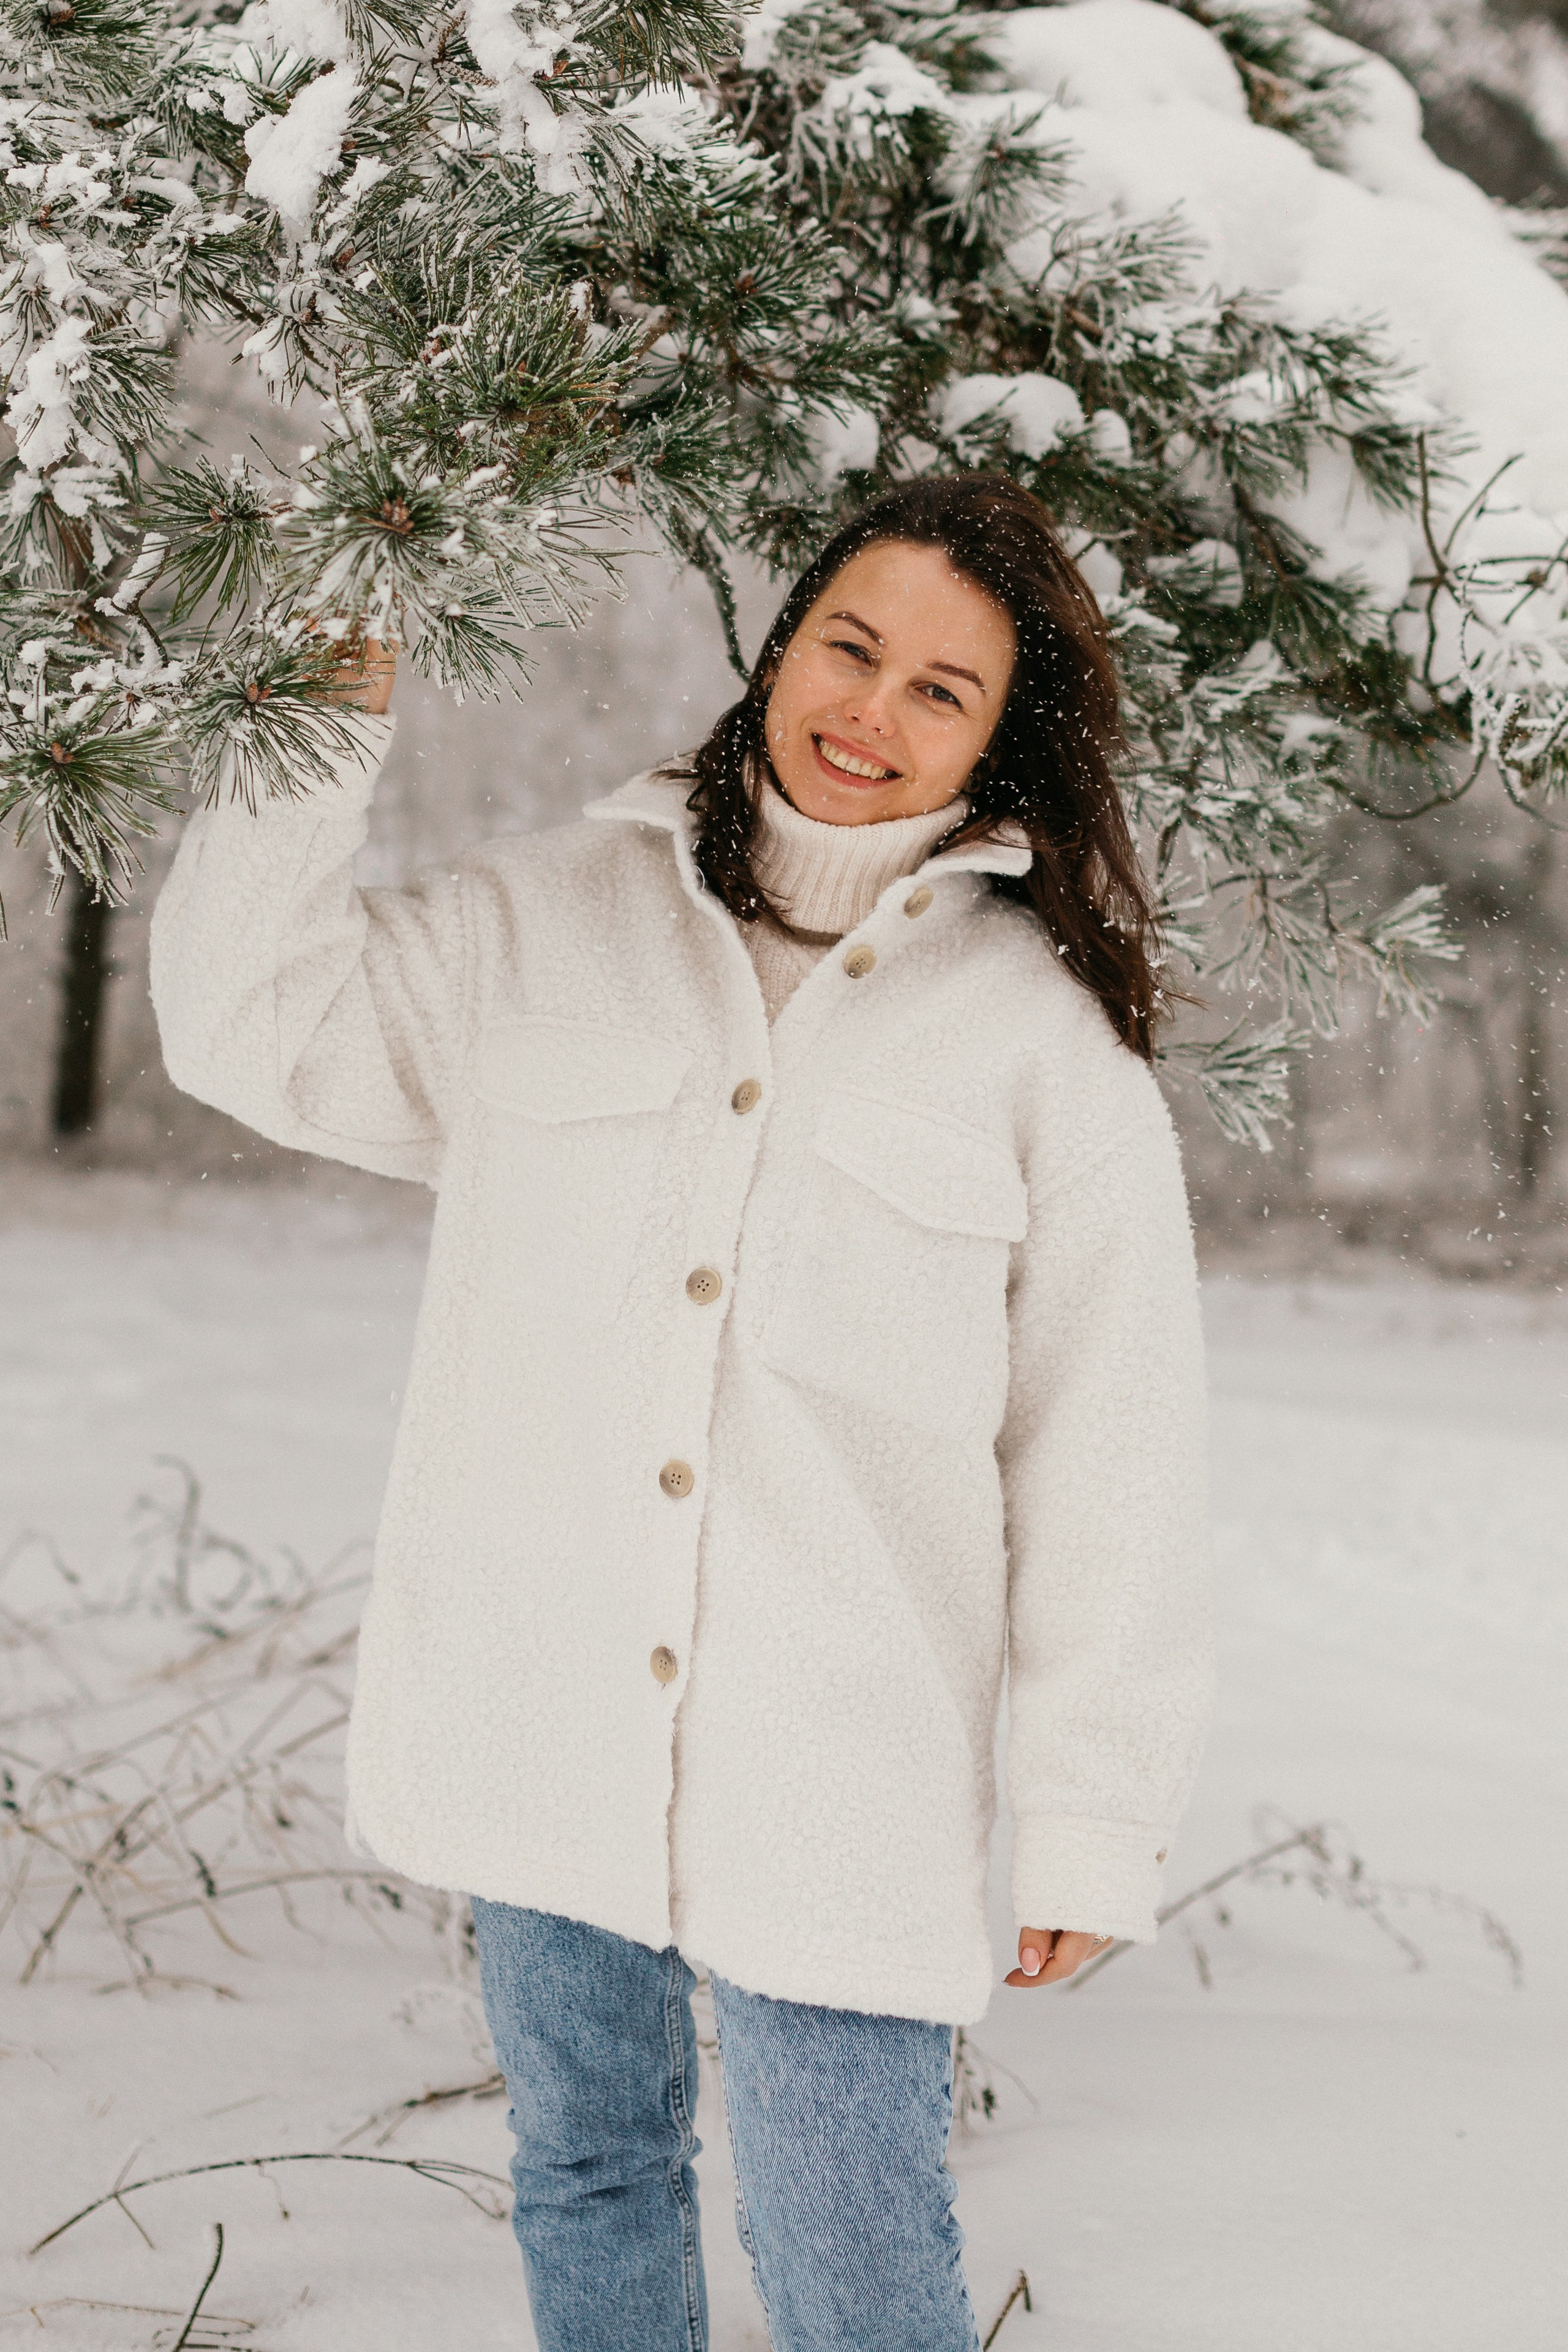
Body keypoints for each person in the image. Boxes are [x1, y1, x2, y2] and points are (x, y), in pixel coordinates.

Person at [150, 473, 1213, 2352]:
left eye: (942, 691)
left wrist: (1089, 1815)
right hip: (542, 1701)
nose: (871, 713)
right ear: (781, 646)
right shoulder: (546, 921)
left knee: (847, 2246)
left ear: (1002, 737)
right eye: (849, 648)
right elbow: (249, 1023)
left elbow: (1108, 1462)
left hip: (845, 1756)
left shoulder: (1045, 1054)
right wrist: (312, 710)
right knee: (588, 2169)